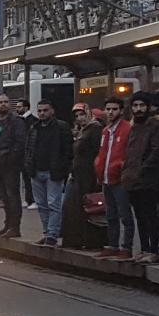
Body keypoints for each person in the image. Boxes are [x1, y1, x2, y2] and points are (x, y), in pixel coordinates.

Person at [120, 92, 159, 264]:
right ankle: (144, 249)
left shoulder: (155, 126)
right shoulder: (134, 127)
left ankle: (154, 251)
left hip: (149, 180)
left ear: (148, 107)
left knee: (151, 216)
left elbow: (157, 151)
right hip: (132, 179)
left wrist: (143, 168)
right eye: (135, 106)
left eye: (141, 105)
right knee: (141, 217)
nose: (138, 109)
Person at [25, 98, 71, 246]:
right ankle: (46, 232)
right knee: (42, 205)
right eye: (39, 111)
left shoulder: (61, 127)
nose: (42, 113)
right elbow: (29, 149)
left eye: (45, 110)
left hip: (53, 172)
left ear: (52, 111)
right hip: (36, 171)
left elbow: (67, 150)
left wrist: (63, 168)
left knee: (53, 204)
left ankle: (52, 234)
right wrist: (29, 166)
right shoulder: (34, 128)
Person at [93, 96, 132, 256]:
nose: (110, 112)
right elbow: (102, 153)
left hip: (120, 179)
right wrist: (99, 170)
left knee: (125, 215)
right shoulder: (105, 131)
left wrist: (122, 167)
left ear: (121, 111)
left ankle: (127, 246)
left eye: (114, 109)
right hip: (106, 178)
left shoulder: (127, 129)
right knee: (110, 214)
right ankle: (112, 244)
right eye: (108, 109)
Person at [0, 95, 28, 238]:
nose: (3, 105)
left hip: (10, 166)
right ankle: (7, 225)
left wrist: (10, 159)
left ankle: (15, 227)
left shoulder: (16, 122)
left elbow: (20, 143)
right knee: (3, 196)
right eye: (0, 103)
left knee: (12, 196)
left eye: (5, 102)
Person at [63, 101, 105, 249]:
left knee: (87, 208)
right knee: (73, 208)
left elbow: (97, 153)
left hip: (89, 176)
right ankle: (75, 240)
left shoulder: (94, 130)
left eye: (82, 114)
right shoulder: (83, 130)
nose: (80, 118)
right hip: (77, 175)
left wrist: (97, 176)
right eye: (77, 115)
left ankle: (89, 241)